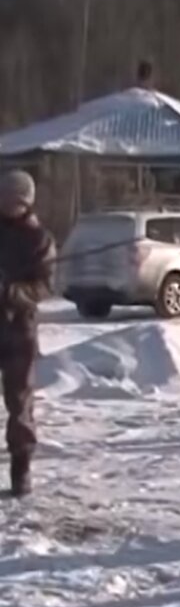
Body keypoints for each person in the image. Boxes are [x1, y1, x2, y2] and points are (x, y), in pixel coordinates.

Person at [0, 169, 56, 497]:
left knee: (19, 403)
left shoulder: (40, 239)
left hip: (18, 330)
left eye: (14, 200)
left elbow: (43, 287)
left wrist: (8, 292)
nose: (8, 205)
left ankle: (21, 468)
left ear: (26, 202)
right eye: (3, 198)